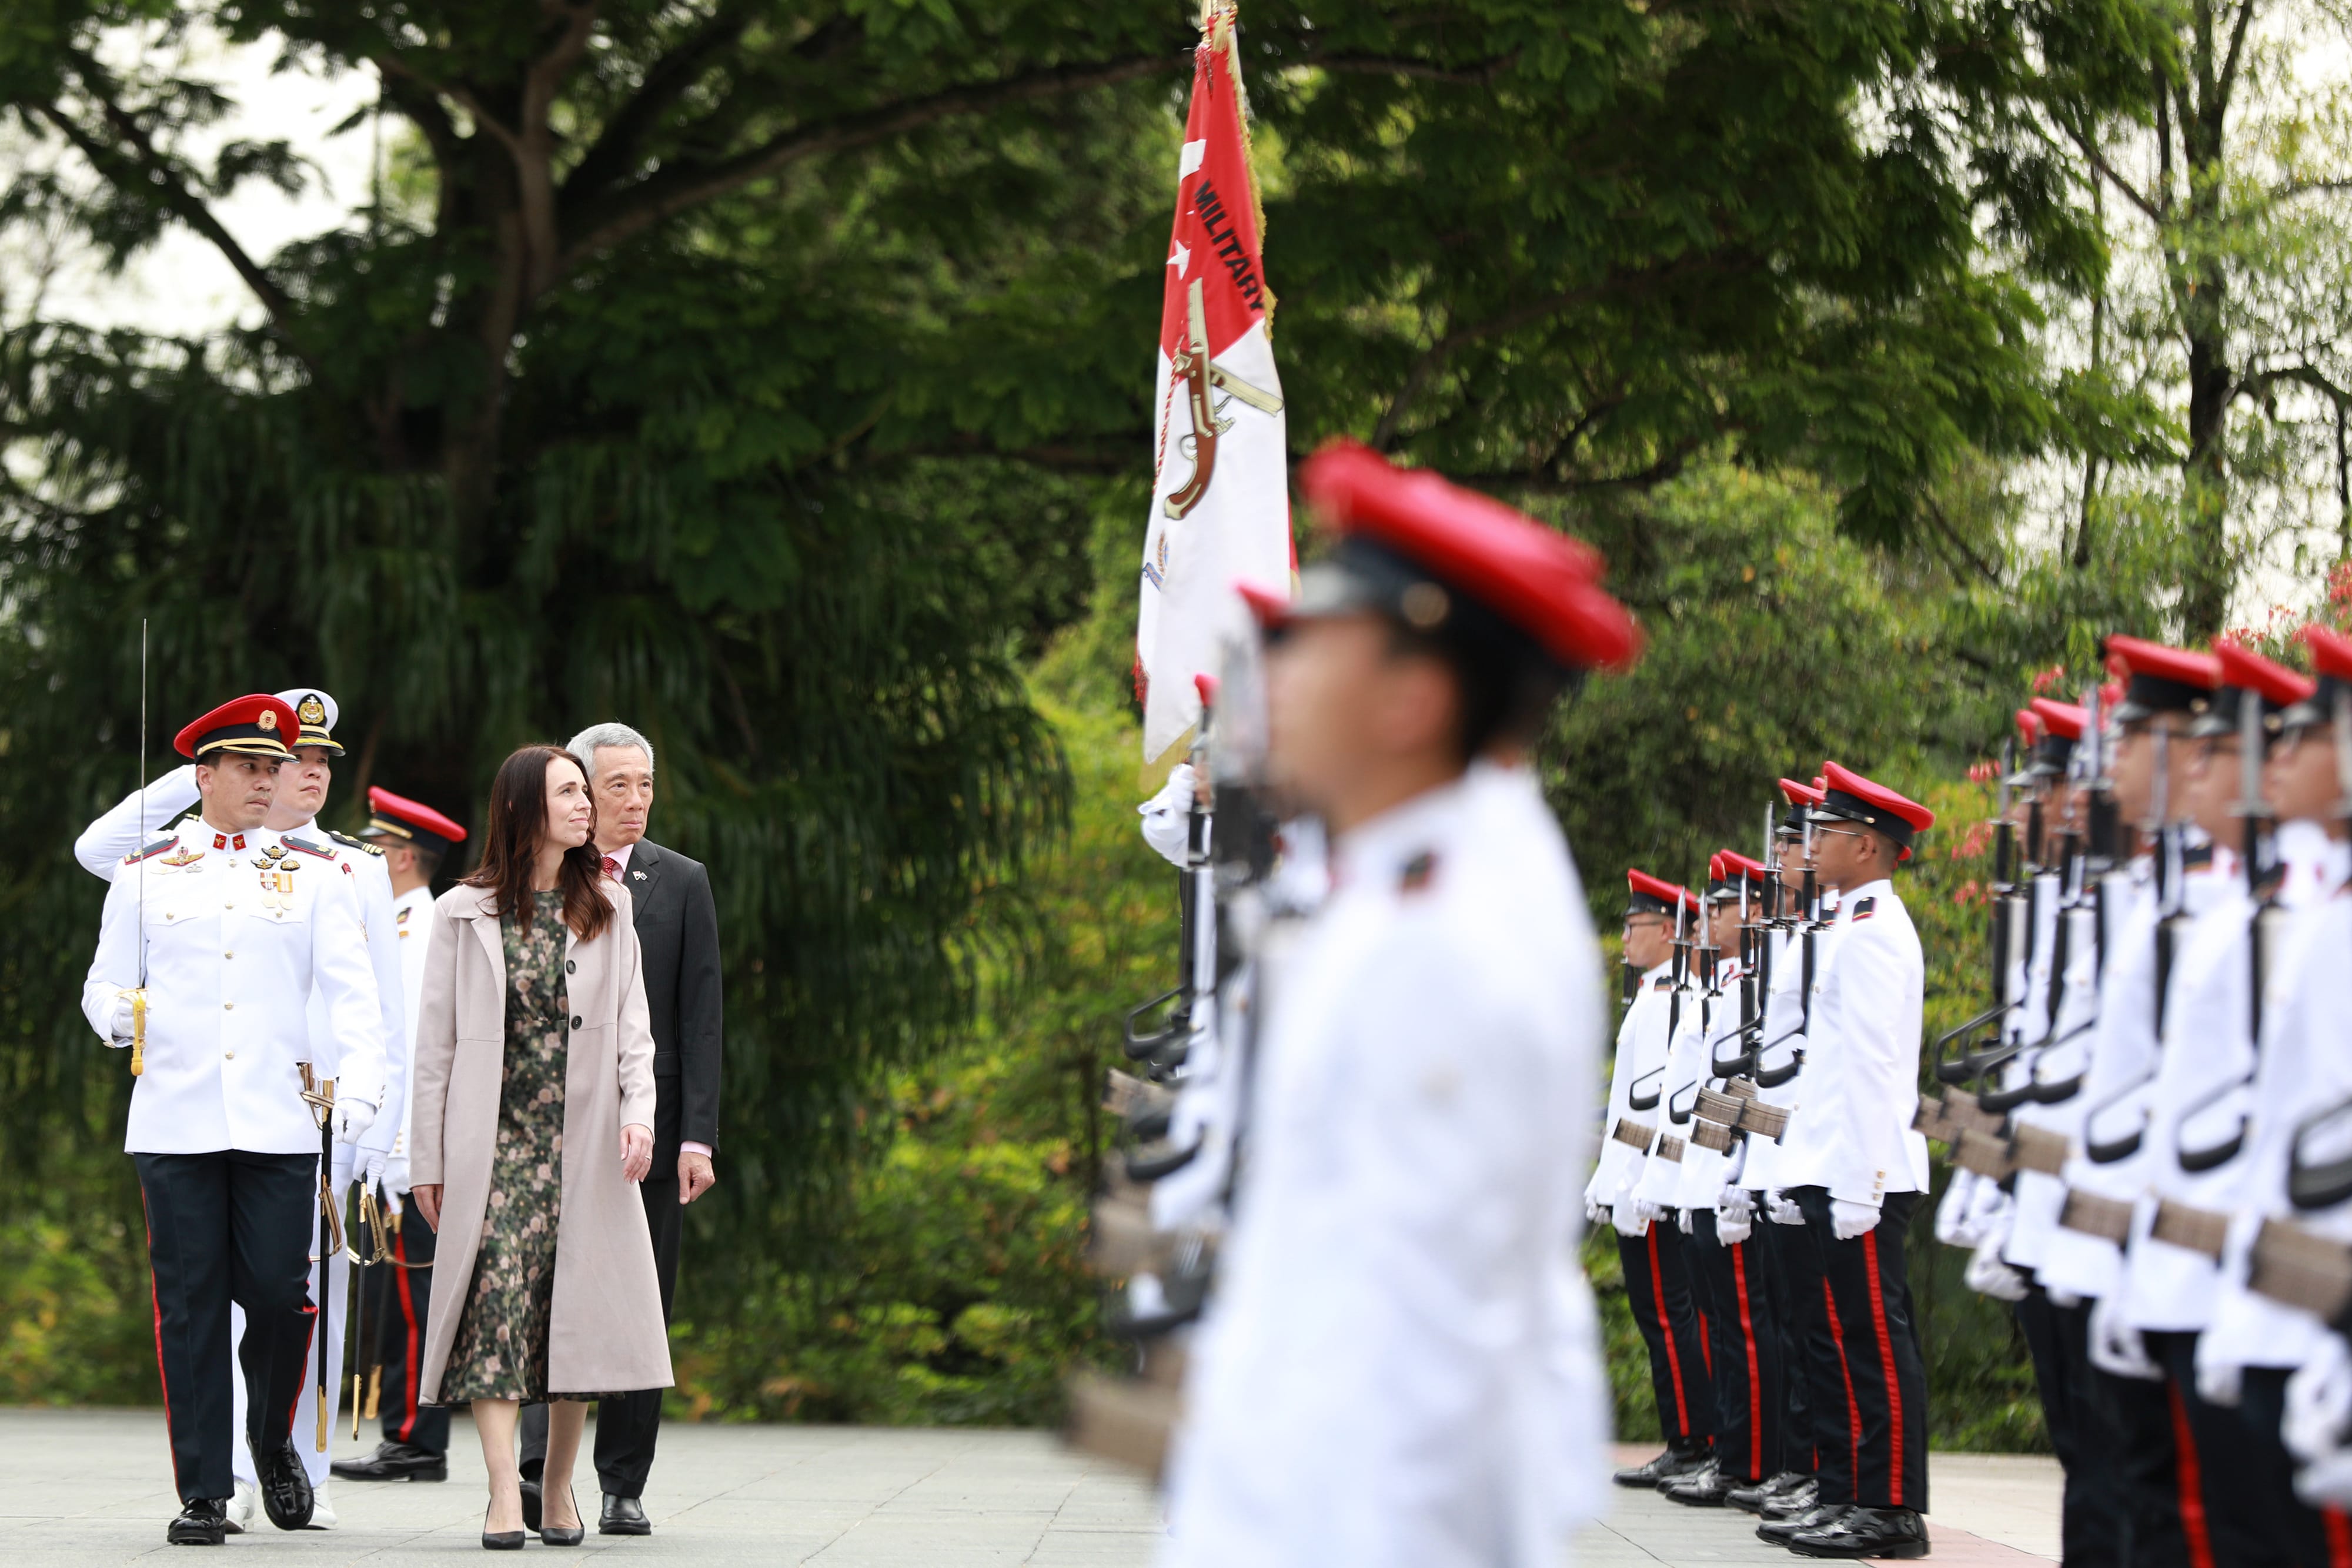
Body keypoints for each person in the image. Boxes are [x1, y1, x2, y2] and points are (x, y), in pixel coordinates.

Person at [1158, 438, 1641, 1567]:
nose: (1269, 680)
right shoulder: (1404, 877)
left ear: (1414, 700)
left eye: (1309, 648)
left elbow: (1422, 1339)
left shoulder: (1451, 939)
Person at [71, 688, 409, 1527]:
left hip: (279, 1120)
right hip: (175, 1119)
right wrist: (120, 1014)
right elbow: (103, 982)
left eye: (276, 766)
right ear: (204, 775)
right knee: (190, 1305)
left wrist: (365, 1093)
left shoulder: (317, 876)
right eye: (251, 767)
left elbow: (355, 995)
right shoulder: (147, 874)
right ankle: (205, 1488)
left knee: (279, 1292)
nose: (271, 780)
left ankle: (271, 1436)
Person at [408, 744, 672, 1549]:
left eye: (585, 792)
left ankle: (557, 1484)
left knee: (573, 1315)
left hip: (584, 1146)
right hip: (493, 1146)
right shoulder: (463, 911)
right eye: (569, 791)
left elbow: (634, 1025)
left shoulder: (610, 905)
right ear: (524, 806)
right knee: (497, 1311)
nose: (586, 804)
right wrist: (427, 1159)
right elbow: (435, 1046)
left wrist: (641, 1115)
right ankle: (500, 1492)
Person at [514, 721, 724, 1535]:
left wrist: (696, 1135)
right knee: (544, 1289)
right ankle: (539, 1469)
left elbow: (700, 1017)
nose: (635, 801)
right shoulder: (536, 877)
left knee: (641, 1297)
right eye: (617, 786)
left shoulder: (681, 880)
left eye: (646, 784)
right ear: (576, 791)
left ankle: (622, 1480)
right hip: (552, 1123)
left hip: (655, 1126)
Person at [1759, 760, 1935, 1559]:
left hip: (1865, 1171)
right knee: (1843, 1336)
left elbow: (1872, 1067)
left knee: (1872, 1341)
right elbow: (1816, 1071)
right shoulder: (1848, 926)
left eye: (1824, 833)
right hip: (1835, 1164)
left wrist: (1861, 1179)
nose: (1809, 846)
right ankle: (1850, 1491)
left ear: (1866, 845)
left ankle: (1891, 1505)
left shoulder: (1871, 934)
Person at [335, 786, 470, 1485]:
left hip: (415, 1148)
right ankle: (406, 1433)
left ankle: (418, 1440)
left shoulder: (423, 927)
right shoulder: (398, 924)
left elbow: (418, 1050)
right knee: (400, 1297)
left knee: (418, 1297)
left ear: (405, 857)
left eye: (375, 847)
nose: (367, 857)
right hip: (398, 1144)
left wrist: (401, 1151)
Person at [1663, 851, 1786, 1509]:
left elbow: (1748, 1085)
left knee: (1747, 1327)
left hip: (1744, 1174)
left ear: (1755, 910)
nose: (1708, 919)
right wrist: (1691, 1179)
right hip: (1712, 1175)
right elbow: (1692, 1097)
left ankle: (1750, 1460)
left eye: (1722, 907)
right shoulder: (1723, 982)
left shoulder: (1757, 978)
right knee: (1725, 1327)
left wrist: (1734, 1170)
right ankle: (1734, 1453)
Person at [1598, 870, 1720, 1488]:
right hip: (1636, 1177)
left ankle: (1693, 1438)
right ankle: (1687, 1437)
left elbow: (1665, 1109)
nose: (1623, 936)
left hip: (1656, 1182)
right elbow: (1630, 1106)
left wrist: (1641, 1178)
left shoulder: (1675, 995)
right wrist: (1609, 1176)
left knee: (1671, 1315)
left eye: (1634, 924)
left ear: (1667, 929)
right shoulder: (1652, 993)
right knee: (1659, 1315)